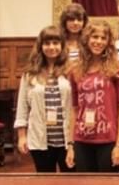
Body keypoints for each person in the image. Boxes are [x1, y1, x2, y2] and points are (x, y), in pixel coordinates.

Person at [68, 21, 119, 172]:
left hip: (107, 139)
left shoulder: (117, 67)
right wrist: (70, 144)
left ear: (108, 42)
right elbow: (74, 108)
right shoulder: (75, 69)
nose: (98, 42)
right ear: (87, 39)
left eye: (103, 38)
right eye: (95, 37)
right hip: (81, 139)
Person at [14, 26, 74, 172]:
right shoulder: (30, 74)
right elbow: (22, 107)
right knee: (45, 178)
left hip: (68, 140)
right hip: (40, 139)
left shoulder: (72, 70)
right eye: (47, 43)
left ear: (62, 45)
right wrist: (22, 136)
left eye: (55, 43)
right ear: (41, 46)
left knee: (71, 180)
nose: (51, 47)